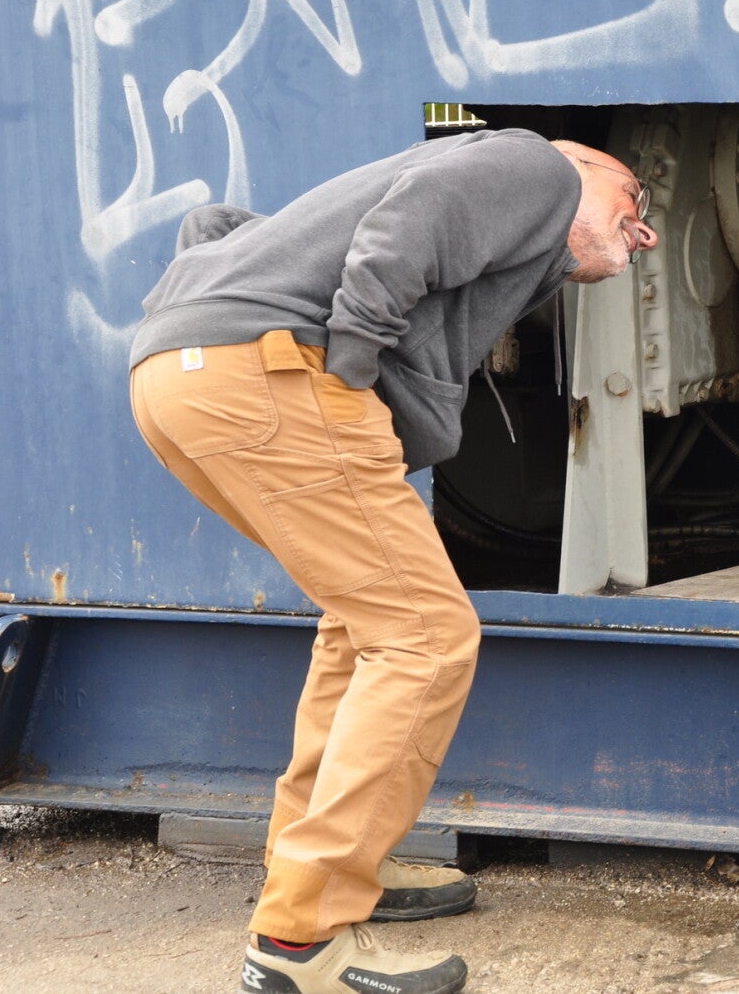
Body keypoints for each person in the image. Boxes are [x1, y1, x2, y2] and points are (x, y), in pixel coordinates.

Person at [127, 127, 657, 994]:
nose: (645, 232)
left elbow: (212, 226)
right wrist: (348, 366)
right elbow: (410, 223)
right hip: (270, 377)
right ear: (585, 163)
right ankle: (301, 937)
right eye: (636, 199)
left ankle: (330, 866)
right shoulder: (535, 165)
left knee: (364, 625)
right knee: (427, 638)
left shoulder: (491, 209)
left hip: (180, 379)